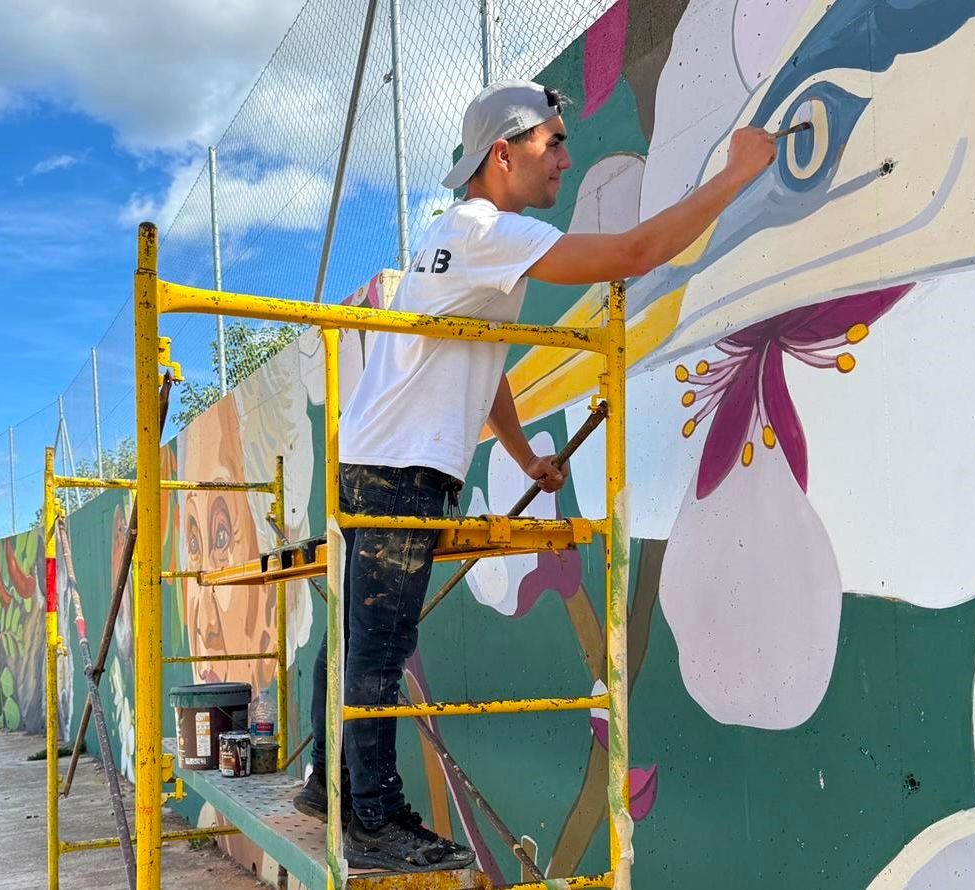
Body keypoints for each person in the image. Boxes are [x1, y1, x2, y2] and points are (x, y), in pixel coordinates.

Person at [292, 79, 777, 873]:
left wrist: (521, 458)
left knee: (357, 634)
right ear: (502, 152)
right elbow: (631, 256)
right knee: (379, 644)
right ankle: (370, 820)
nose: (564, 157)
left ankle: (329, 790)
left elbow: (482, 359)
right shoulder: (483, 228)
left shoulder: (468, 238)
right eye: (552, 143)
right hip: (398, 466)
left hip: (383, 459)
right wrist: (735, 175)